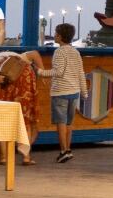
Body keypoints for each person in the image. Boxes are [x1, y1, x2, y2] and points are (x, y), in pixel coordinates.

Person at [0, 49, 43, 165]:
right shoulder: (15, 56)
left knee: (2, 120)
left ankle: (3, 157)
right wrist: (42, 73)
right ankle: (26, 157)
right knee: (25, 120)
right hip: (25, 83)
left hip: (5, 84)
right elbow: (35, 54)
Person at [35, 24, 86, 163]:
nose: (54, 35)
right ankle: (68, 149)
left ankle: (63, 151)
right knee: (69, 123)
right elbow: (81, 73)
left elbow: (58, 72)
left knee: (61, 122)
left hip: (60, 92)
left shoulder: (59, 52)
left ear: (60, 36)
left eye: (56, 33)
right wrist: (84, 92)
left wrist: (40, 72)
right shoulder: (76, 52)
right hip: (74, 92)